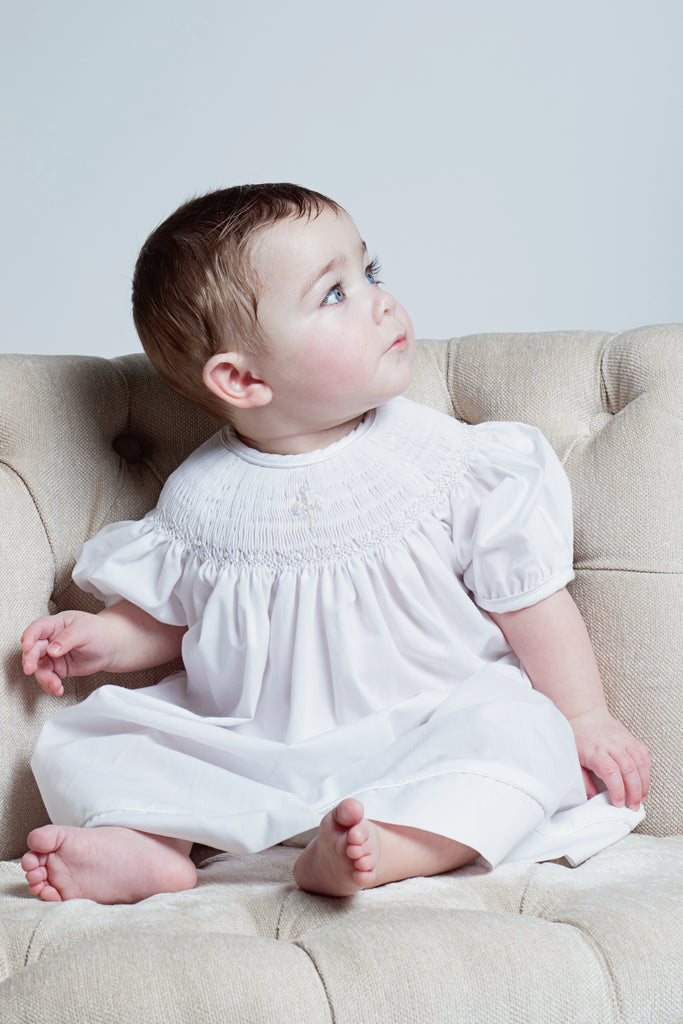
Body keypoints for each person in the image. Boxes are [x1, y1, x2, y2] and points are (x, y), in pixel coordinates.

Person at [21, 184, 651, 905]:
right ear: (242, 378)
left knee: (522, 738)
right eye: (333, 294)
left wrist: (583, 717)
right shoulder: (201, 496)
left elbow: (528, 602)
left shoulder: (442, 461)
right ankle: (146, 847)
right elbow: (174, 616)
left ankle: (383, 848)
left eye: (369, 273)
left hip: (426, 726)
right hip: (253, 745)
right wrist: (102, 640)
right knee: (97, 742)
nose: (380, 300)